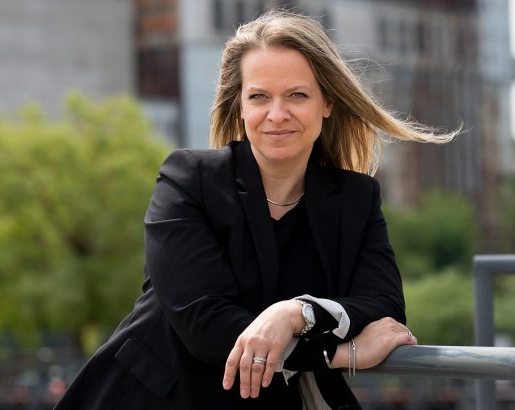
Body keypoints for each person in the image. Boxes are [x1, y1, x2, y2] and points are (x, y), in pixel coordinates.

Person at [55, 9, 457, 410]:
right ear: (241, 107)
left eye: (297, 95)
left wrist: (296, 313)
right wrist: (335, 356)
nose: (276, 114)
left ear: (327, 103)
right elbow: (205, 324)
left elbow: (384, 308)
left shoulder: (357, 198)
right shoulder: (188, 180)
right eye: (259, 96)